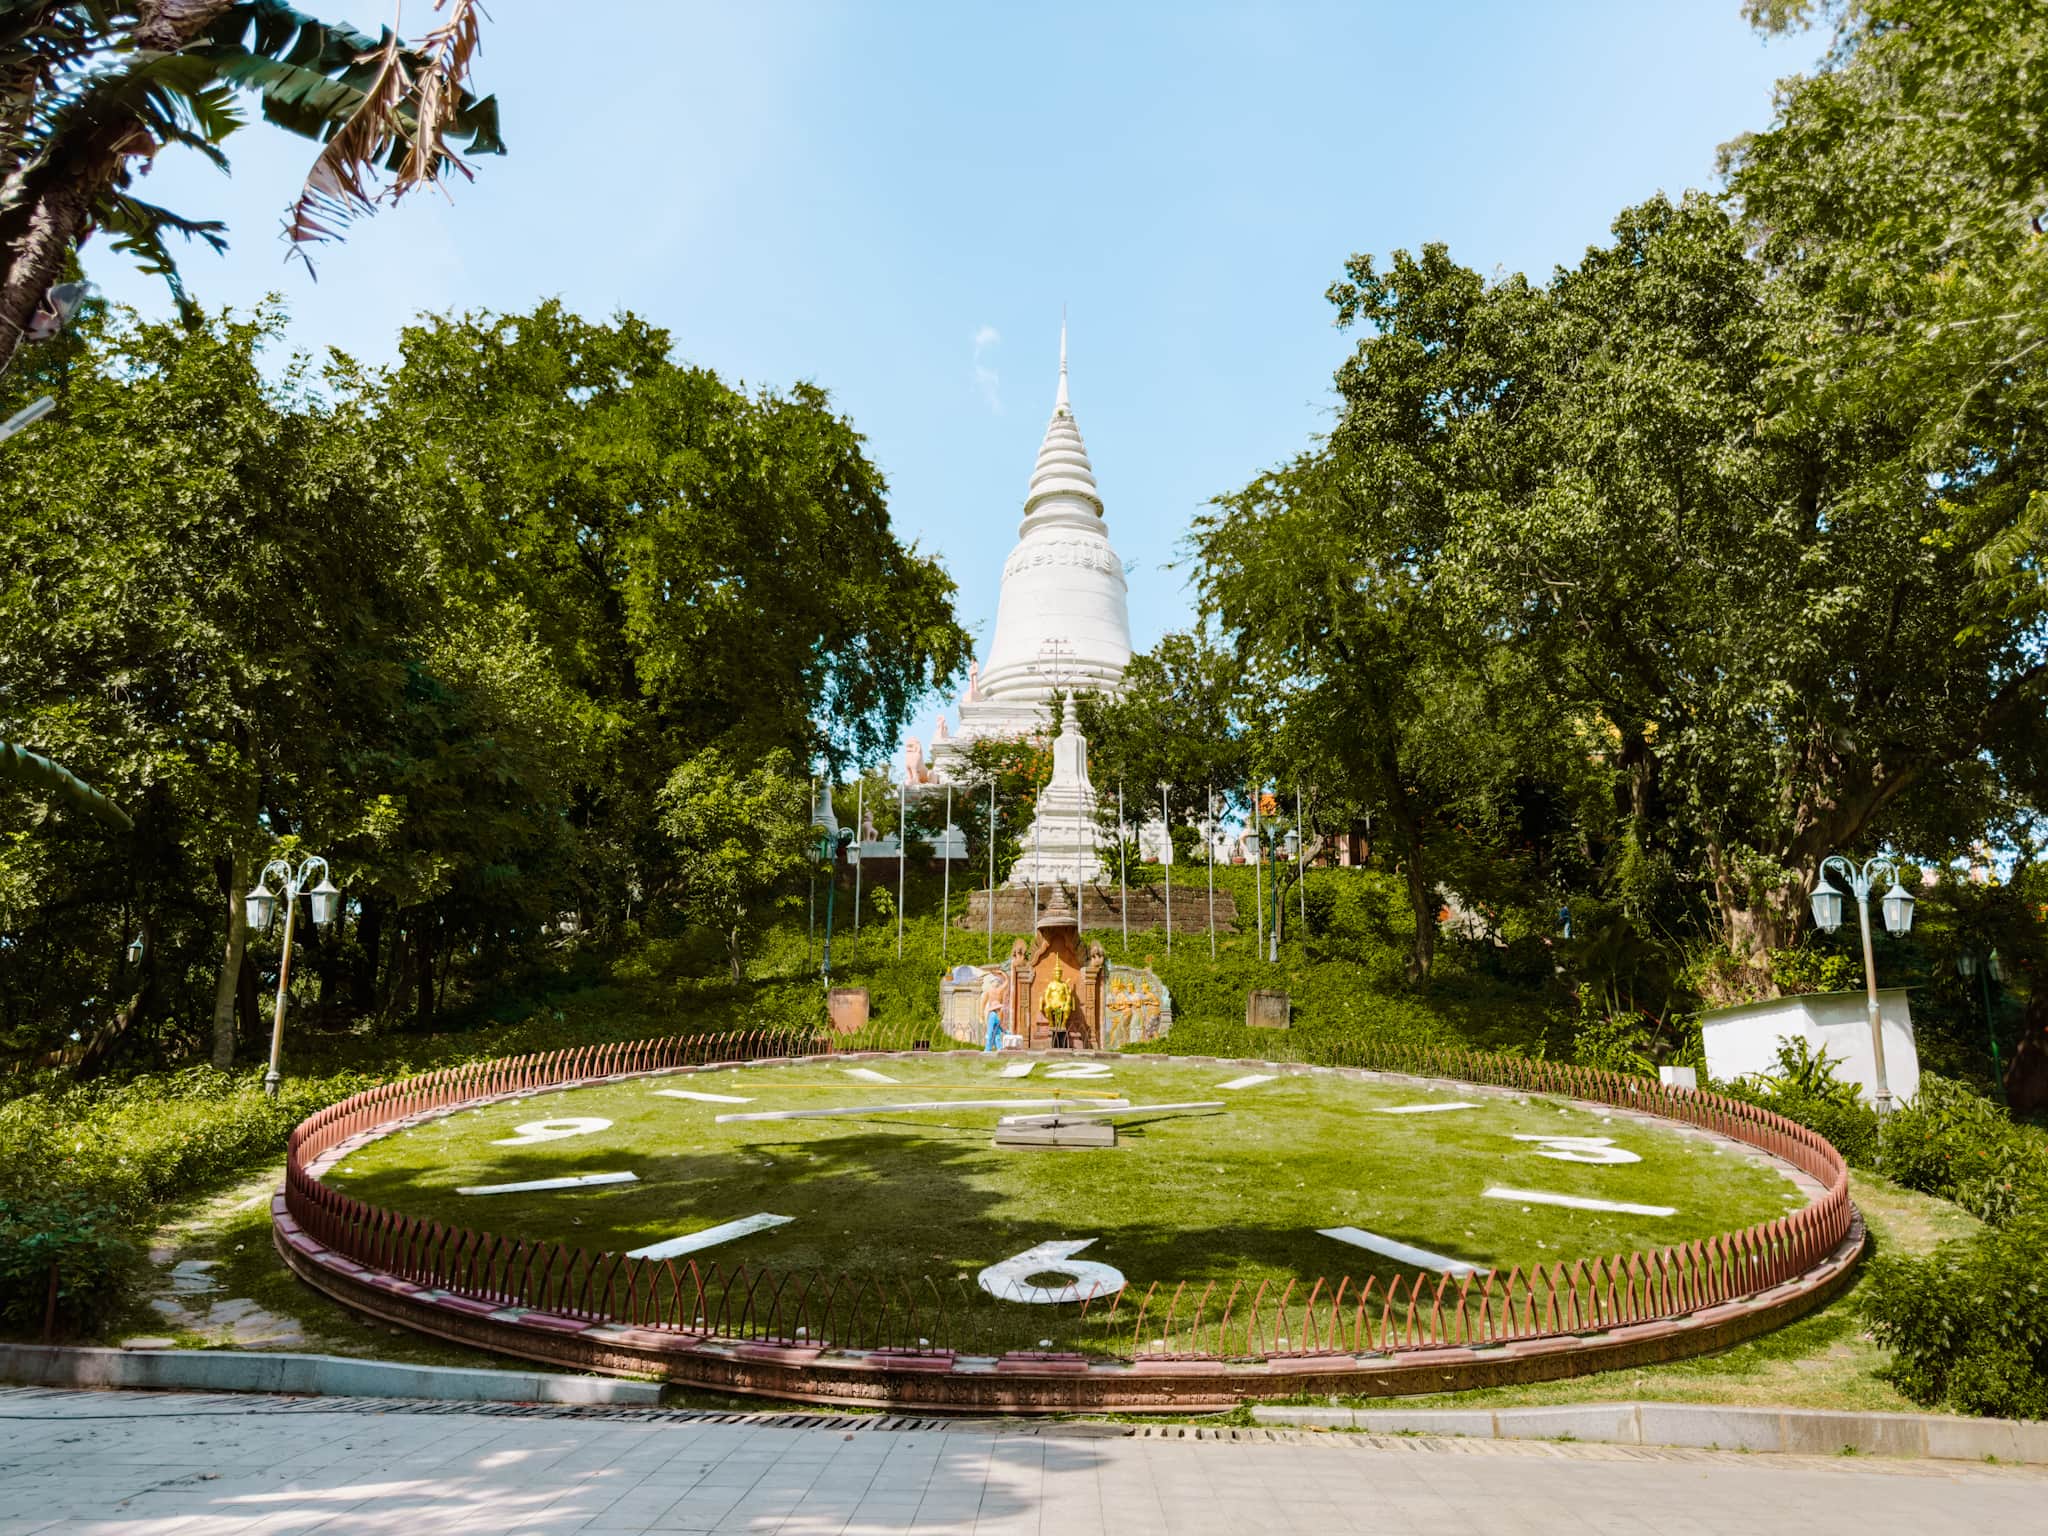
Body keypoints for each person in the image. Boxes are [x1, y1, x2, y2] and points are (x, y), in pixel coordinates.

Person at [979, 966, 1008, 1052]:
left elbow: (1007, 981)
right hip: (992, 1013)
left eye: (997, 981)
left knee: (997, 1033)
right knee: (990, 1032)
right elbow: (983, 1003)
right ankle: (988, 1048)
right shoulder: (989, 991)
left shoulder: (1000, 990)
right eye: (994, 981)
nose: (996, 983)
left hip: (999, 1013)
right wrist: (981, 1015)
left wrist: (1001, 973)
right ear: (991, 983)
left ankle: (999, 1048)